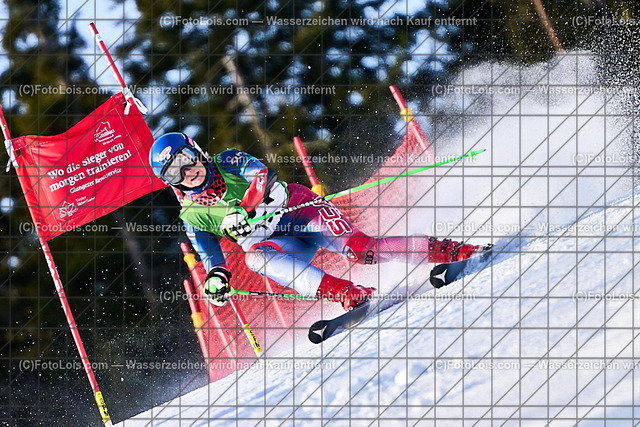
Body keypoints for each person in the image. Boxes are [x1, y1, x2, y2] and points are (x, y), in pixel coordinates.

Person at [149, 132, 487, 311]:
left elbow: (262, 176)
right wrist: (215, 282)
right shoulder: (192, 216)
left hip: (299, 211)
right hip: (279, 243)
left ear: (197, 151)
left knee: (362, 251)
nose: (188, 172)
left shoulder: (227, 160)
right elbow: (212, 258)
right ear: (172, 183)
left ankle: (447, 250)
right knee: (255, 259)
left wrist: (246, 208)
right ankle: (346, 292)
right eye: (175, 172)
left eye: (186, 160)